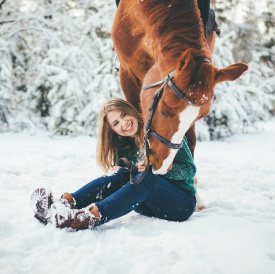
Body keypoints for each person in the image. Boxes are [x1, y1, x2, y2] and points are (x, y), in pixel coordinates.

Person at [30, 98, 197, 230]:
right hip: (147, 206)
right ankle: (65, 205)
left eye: (124, 115)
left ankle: (89, 218)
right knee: (122, 174)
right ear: (113, 131)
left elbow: (189, 171)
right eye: (116, 123)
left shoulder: (163, 132)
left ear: (131, 111)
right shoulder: (125, 146)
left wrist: (158, 168)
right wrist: (122, 171)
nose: (124, 123)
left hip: (181, 204)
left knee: (147, 177)